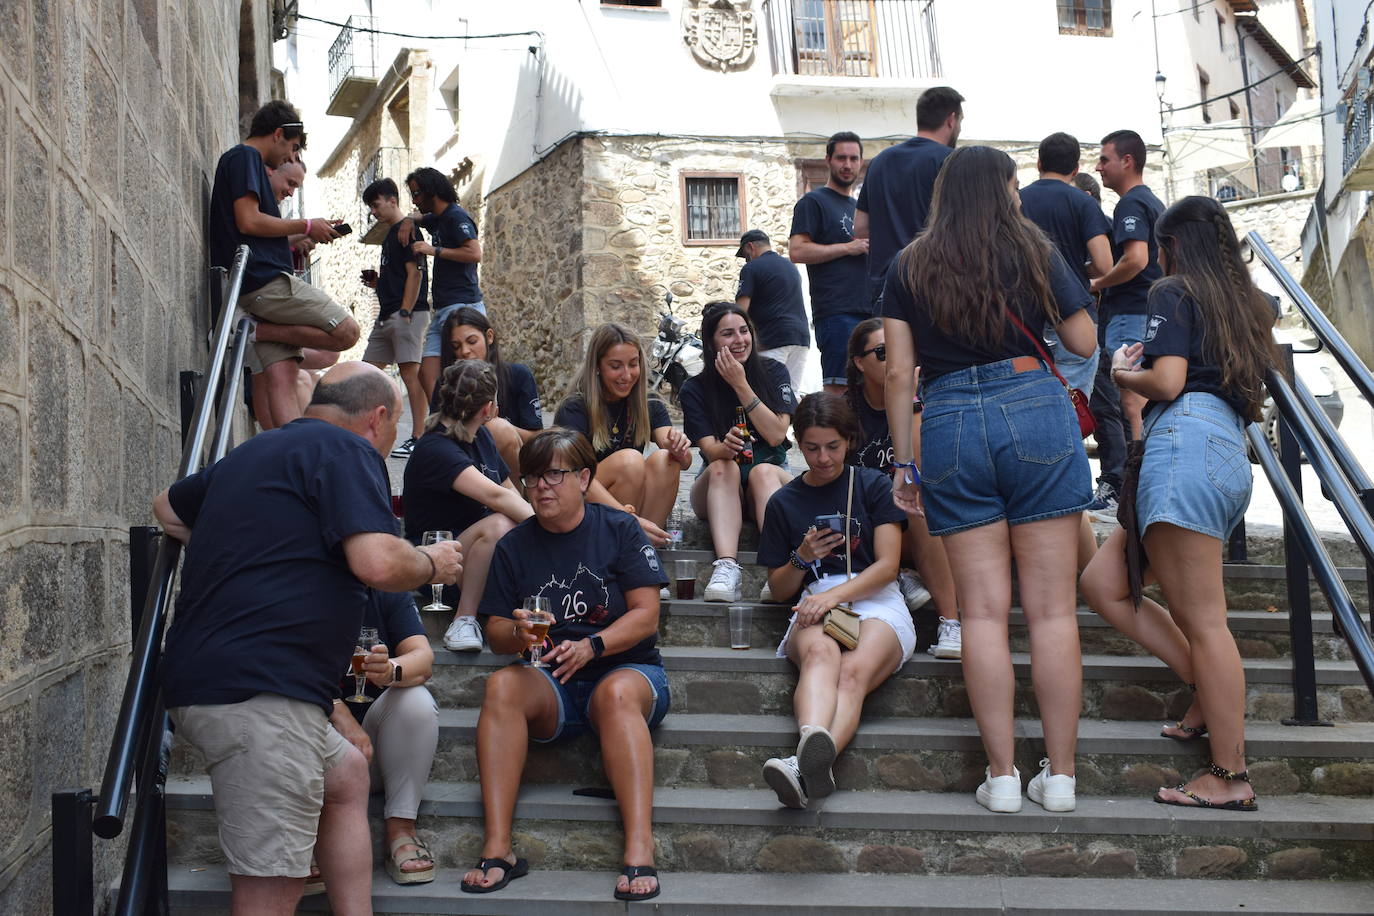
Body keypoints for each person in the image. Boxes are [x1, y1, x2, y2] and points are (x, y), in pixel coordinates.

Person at [153, 362, 462, 916]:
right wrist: (431, 562)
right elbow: (375, 561)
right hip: (262, 693)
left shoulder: (254, 452)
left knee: (344, 773)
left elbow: (167, 509)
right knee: (269, 893)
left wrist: (259, 545)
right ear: (378, 418)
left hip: (223, 680)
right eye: (393, 436)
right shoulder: (348, 452)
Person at [882, 146, 1097, 814]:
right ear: (1003, 192)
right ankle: (1059, 777)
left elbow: (896, 374)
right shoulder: (1034, 249)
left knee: (979, 613)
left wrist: (902, 460)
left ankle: (1001, 775)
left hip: (946, 420)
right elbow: (1085, 342)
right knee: (1053, 610)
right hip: (1034, 410)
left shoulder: (909, 263)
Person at [1080, 196, 1277, 812]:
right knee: (1104, 582)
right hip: (1222, 450)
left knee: (1206, 620)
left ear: (1170, 246)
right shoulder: (1249, 305)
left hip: (1183, 442)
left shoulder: (1171, 292)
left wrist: (1120, 374)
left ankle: (1229, 773)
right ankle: (1202, 692)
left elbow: (1165, 381)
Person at [465, 429, 669, 902]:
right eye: (532, 477)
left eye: (554, 475)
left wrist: (593, 646)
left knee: (615, 695)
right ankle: (498, 850)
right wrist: (517, 631)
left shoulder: (618, 529)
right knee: (501, 687)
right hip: (551, 682)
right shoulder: (514, 545)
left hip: (628, 673)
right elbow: (494, 633)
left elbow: (646, 615)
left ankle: (640, 846)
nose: (541, 487)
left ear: (582, 478)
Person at [755, 393, 912, 808]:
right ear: (798, 443)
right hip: (813, 599)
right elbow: (780, 589)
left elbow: (888, 566)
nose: (823, 458)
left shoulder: (873, 485)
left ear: (849, 440)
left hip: (875, 598)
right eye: (811, 448)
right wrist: (802, 557)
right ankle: (809, 763)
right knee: (822, 655)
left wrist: (834, 598)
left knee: (852, 674)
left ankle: (799, 767)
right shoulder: (784, 502)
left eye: (833, 446)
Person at [209, 100, 359, 430]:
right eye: (290, 149)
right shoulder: (246, 157)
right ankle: (249, 329)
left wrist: (311, 230)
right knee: (347, 332)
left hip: (257, 284)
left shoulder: (243, 161)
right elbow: (248, 221)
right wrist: (306, 226)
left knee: (283, 387)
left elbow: (252, 231)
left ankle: (289, 463)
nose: (288, 158)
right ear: (278, 134)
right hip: (264, 283)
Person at [1017, 132, 1115, 568]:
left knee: (1027, 413)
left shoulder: (1017, 201)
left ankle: (1029, 498)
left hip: (1024, 324)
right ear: (1077, 168)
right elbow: (1106, 263)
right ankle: (1068, 500)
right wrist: (1082, 279)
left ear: (1038, 162)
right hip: (1073, 318)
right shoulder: (1082, 202)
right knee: (1070, 414)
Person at [843, 318, 962, 658]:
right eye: (882, 352)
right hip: (865, 530)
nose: (894, 360)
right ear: (859, 362)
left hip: (911, 528)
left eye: (900, 352)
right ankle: (898, 572)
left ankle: (950, 623)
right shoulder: (844, 411)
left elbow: (923, 468)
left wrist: (909, 400)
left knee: (921, 508)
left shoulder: (924, 404)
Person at [403, 360, 534, 653]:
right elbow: (498, 499)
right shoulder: (436, 448)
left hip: (475, 559)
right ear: (488, 408)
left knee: (510, 524)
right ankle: (464, 619)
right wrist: (564, 531)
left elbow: (509, 491)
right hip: (436, 565)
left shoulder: (482, 436)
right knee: (501, 523)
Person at [679, 302, 798, 602]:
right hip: (717, 487)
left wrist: (741, 384)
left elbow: (775, 434)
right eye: (728, 334)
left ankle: (778, 567)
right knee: (722, 466)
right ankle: (726, 567)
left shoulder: (774, 372)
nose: (739, 340)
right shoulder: (695, 388)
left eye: (744, 331)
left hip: (768, 481)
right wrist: (725, 447)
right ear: (711, 343)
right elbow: (708, 449)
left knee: (762, 471)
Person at [332, 589, 439, 885]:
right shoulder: (301, 586)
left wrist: (391, 670)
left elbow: (424, 658)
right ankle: (309, 837)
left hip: (375, 751)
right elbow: (287, 666)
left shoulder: (385, 592)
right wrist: (337, 711)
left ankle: (401, 832)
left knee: (415, 699)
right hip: (318, 742)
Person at [554, 323, 692, 543]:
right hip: (583, 502)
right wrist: (630, 519)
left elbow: (684, 462)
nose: (626, 375)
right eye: (616, 366)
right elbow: (572, 477)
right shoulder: (575, 408)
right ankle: (625, 543)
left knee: (666, 458)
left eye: (633, 364)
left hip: (629, 513)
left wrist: (679, 447)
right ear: (597, 366)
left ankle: (644, 550)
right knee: (630, 461)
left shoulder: (649, 403)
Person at [1088, 129, 1166, 517]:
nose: (1099, 167)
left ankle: (1136, 489)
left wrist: (1097, 282)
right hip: (1147, 310)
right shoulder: (1151, 201)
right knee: (1142, 401)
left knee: (1131, 402)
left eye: (1104, 159)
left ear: (1127, 161)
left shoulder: (1130, 205)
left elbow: (1134, 260)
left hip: (1131, 311)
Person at [855, 86, 964, 309]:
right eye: (961, 121)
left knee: (888, 346)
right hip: (936, 287)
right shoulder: (951, 161)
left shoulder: (879, 162)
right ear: (951, 120)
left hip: (884, 289)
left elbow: (860, 228)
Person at [789, 131, 870, 394]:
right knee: (839, 393)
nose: (847, 165)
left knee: (869, 392)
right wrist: (849, 247)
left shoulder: (857, 206)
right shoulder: (813, 201)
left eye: (854, 158)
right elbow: (797, 251)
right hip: (837, 313)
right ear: (828, 160)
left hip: (868, 312)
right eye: (841, 158)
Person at [361, 177, 431, 459]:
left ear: (392, 200)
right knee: (366, 373)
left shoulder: (408, 230)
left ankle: (419, 437)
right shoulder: (391, 235)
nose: (373, 212)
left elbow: (416, 273)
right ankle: (364, 432)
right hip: (388, 315)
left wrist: (405, 310)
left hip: (407, 314)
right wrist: (378, 282)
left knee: (410, 373)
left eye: (375, 205)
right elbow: (401, 276)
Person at [402, 167, 484, 402]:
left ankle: (485, 424)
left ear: (432, 191)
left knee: (473, 374)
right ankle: (441, 422)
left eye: (417, 194)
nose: (415, 200)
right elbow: (419, 217)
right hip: (443, 309)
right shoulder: (437, 218)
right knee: (427, 373)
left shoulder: (456, 217)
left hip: (463, 306)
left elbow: (474, 253)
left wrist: (432, 250)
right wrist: (408, 218)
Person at [435, 307, 543, 475]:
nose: (464, 351)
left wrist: (496, 426)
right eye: (456, 346)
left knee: (498, 429)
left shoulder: (518, 375)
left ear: (489, 336)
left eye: (471, 341)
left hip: (513, 469)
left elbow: (536, 437)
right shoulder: (446, 382)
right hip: (463, 467)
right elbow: (437, 436)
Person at [736, 229, 811, 393]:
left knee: (768, 395)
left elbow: (740, 312)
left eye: (744, 255)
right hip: (801, 338)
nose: (745, 260)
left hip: (771, 339)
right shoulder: (791, 267)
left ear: (750, 247)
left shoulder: (751, 268)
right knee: (790, 395)